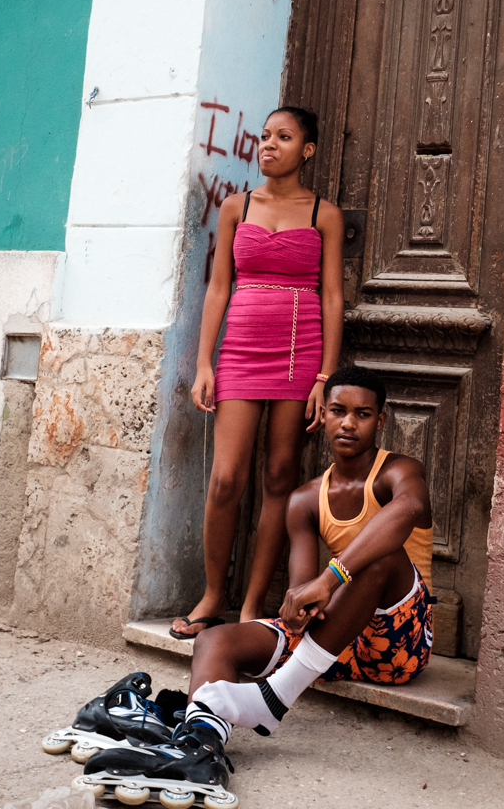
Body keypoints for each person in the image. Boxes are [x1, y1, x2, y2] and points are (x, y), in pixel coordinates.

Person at [181, 364, 435, 742]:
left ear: (380, 421)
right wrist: (302, 608)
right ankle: (198, 741)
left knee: (380, 555)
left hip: (398, 644)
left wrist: (329, 580)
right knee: (214, 641)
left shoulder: (399, 471)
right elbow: (305, 589)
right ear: (323, 414)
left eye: (362, 414)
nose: (348, 423)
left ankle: (277, 695)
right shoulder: (304, 499)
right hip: (333, 637)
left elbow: (410, 507)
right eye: (338, 411)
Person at [171, 107, 344, 637]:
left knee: (277, 479)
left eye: (284, 137)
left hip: (299, 352)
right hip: (241, 350)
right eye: (265, 136)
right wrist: (204, 361)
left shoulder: (323, 214)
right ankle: (211, 597)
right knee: (226, 479)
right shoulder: (236, 206)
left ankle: (250, 607)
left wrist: (324, 378)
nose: (269, 145)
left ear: (306, 150)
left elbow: (333, 296)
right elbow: (218, 287)